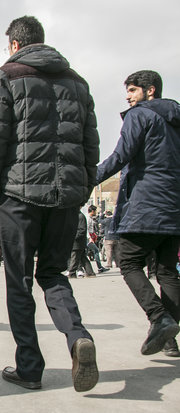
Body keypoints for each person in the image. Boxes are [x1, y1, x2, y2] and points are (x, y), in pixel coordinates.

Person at [0, 16, 99, 392]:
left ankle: (30, 368)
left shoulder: (7, 74)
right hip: (66, 197)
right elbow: (90, 143)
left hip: (18, 196)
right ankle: (77, 336)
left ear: (15, 44)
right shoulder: (78, 82)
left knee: (19, 282)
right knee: (53, 274)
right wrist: (83, 189)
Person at [97, 70, 180, 358]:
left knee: (128, 260)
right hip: (174, 206)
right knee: (167, 271)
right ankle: (170, 341)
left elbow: (122, 155)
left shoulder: (140, 115)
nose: (129, 97)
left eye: (133, 90)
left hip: (146, 204)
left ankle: (159, 317)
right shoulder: (175, 118)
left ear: (150, 90)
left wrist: (90, 176)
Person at [67, 212, 96, 278]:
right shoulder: (75, 215)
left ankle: (72, 273)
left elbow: (81, 230)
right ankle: (90, 273)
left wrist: (73, 237)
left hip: (77, 242)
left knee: (74, 257)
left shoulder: (80, 216)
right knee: (83, 258)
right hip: (77, 241)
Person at [87, 205, 109, 274]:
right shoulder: (88, 218)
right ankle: (99, 267)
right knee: (96, 250)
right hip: (88, 238)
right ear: (92, 211)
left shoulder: (91, 218)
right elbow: (86, 229)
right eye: (95, 211)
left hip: (90, 237)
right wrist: (89, 237)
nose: (96, 212)